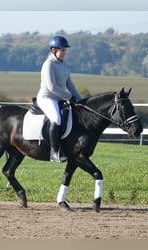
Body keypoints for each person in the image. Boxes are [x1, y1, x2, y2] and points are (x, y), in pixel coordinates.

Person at [36, 35, 82, 163]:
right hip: (47, 98)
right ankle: (54, 152)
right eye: (62, 50)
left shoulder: (65, 65)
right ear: (53, 51)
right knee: (56, 118)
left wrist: (81, 100)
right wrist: (69, 96)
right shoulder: (48, 65)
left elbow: (70, 84)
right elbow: (51, 87)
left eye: (65, 51)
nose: (64, 53)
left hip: (60, 98)